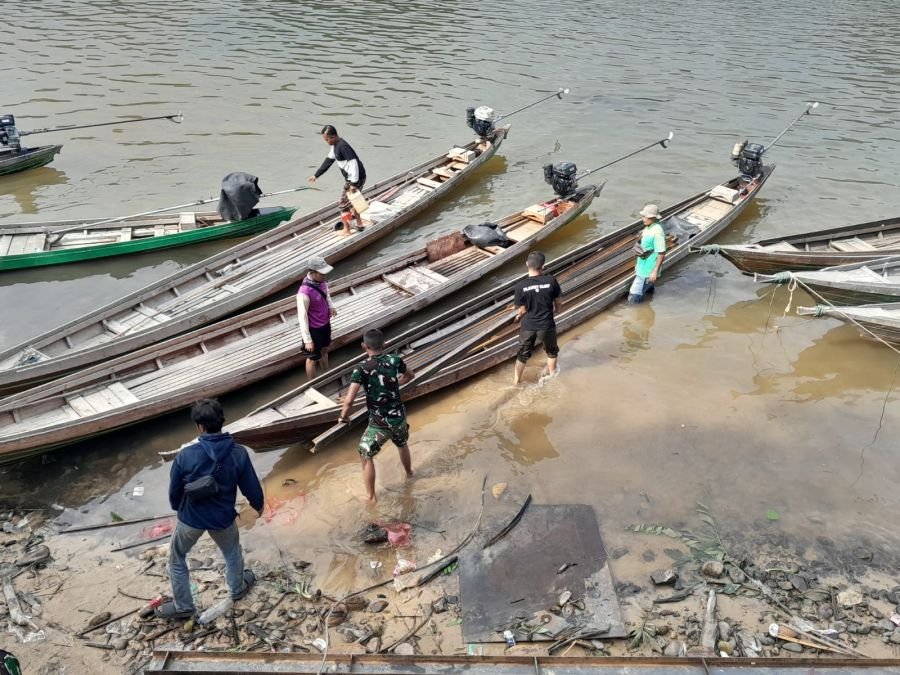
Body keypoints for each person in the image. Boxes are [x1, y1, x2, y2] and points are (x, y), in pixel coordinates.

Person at [156, 399, 265, 620]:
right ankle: (237, 589)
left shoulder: (185, 455)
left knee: (177, 559)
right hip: (223, 519)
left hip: (190, 519)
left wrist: (180, 510)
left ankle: (184, 607)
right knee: (232, 553)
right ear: (222, 422)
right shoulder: (238, 453)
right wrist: (258, 507)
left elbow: (174, 492)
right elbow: (251, 488)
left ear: (200, 427)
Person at [337, 329, 414, 503]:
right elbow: (410, 375)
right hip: (398, 417)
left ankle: (371, 497)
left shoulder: (361, 369)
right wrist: (396, 385)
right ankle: (410, 474)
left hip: (379, 423)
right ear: (384, 344)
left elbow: (349, 401)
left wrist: (343, 416)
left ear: (363, 346)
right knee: (402, 444)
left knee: (365, 453)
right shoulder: (395, 360)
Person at [308, 125, 367, 236]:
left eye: (327, 139)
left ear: (333, 137)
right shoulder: (335, 146)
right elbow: (328, 161)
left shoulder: (343, 147)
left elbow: (353, 164)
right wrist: (316, 175)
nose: (326, 142)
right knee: (354, 201)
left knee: (343, 205)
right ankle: (359, 224)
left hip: (355, 178)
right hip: (357, 177)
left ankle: (346, 230)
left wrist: (353, 184)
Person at [513, 251, 562, 385]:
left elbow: (522, 309)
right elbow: (558, 302)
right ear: (543, 266)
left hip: (528, 326)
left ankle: (516, 382)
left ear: (527, 264)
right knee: (552, 352)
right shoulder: (551, 281)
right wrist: (557, 311)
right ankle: (552, 377)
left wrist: (518, 315)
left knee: (522, 355)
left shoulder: (520, 286)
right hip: (546, 325)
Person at [297, 255, 338, 379]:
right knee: (312, 359)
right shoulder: (304, 292)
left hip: (325, 324)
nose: (325, 276)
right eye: (322, 274)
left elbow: (326, 294)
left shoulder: (322, 281)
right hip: (313, 329)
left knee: (325, 349)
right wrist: (308, 340)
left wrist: (331, 306)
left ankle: (326, 373)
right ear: (313, 273)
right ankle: (312, 384)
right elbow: (302, 317)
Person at [628, 204, 667, 303]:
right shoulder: (648, 227)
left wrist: (654, 272)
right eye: (643, 216)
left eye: (646, 217)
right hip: (643, 266)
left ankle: (636, 315)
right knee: (648, 291)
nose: (643, 219)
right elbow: (644, 248)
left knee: (634, 295)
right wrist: (637, 263)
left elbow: (661, 253)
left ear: (653, 217)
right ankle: (648, 313)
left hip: (647, 270)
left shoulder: (657, 231)